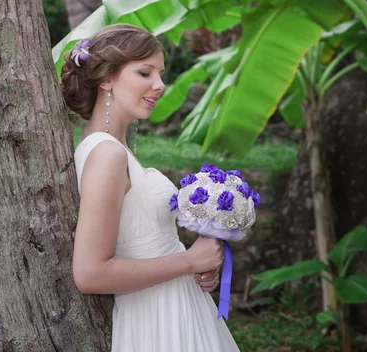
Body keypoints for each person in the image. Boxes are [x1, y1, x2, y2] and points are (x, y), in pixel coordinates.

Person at [60, 23, 240, 351]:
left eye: (160, 74)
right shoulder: (107, 154)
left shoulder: (112, 148)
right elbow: (89, 274)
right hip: (159, 323)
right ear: (106, 79)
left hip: (178, 310)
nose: (159, 85)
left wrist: (197, 268)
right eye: (145, 73)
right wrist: (189, 261)